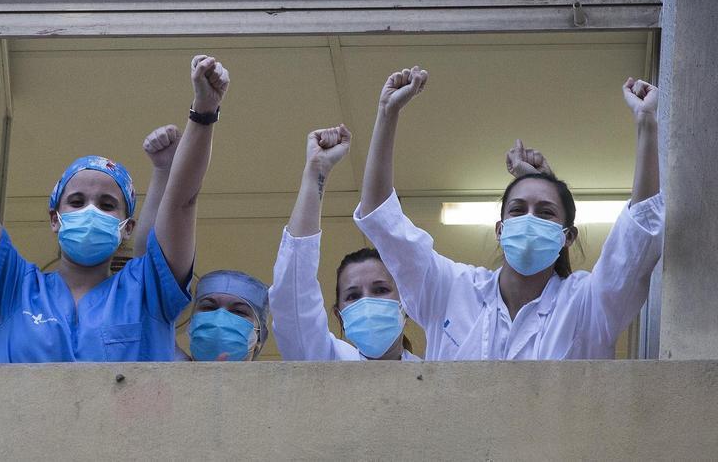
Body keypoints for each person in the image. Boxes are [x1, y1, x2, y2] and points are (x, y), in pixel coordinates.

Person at [0, 34, 229, 362]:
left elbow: (182, 201)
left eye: (107, 205)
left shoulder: (147, 291)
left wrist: (204, 113)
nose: (90, 210)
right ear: (54, 218)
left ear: (127, 227)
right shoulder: (11, 287)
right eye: (76, 202)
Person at [355, 67, 664, 360]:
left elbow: (638, 235)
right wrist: (387, 113)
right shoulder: (451, 289)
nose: (529, 219)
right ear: (500, 230)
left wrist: (646, 123)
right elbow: (381, 217)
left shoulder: (586, 303)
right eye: (518, 210)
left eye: (545, 213)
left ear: (567, 236)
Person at [269, 124, 420, 361]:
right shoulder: (327, 362)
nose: (367, 302)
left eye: (380, 289)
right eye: (353, 296)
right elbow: (292, 294)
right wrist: (316, 171)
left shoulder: (434, 374)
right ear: (339, 316)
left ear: (406, 305)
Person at [131, 124, 269, 362]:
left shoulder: (280, 394)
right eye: (208, 307)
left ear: (260, 335)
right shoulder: (171, 367)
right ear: (192, 322)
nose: (219, 319)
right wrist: (164, 171)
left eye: (238, 312)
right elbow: (148, 266)